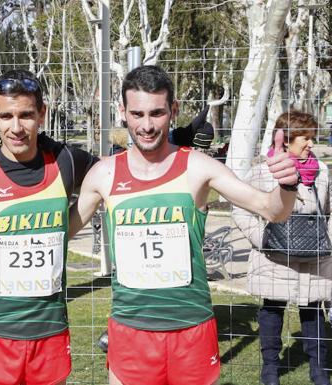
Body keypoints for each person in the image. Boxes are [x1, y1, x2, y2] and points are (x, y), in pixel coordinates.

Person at [0, 69, 218, 385]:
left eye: (26, 115)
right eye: (7, 116)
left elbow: (125, 170)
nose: (16, 126)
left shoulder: (66, 160)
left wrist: (177, 139)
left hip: (49, 331)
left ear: (42, 113)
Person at [69, 65, 298, 385]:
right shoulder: (104, 174)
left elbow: (271, 209)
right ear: (123, 112)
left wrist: (287, 185)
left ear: (173, 110)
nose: (146, 126)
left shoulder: (197, 167)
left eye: (157, 113)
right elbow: (59, 233)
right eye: (137, 114)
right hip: (130, 332)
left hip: (191, 332)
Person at [233, 110, 332, 385]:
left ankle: (319, 370)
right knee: (272, 311)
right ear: (286, 140)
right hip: (274, 257)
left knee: (313, 311)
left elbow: (330, 211)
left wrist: (328, 239)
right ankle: (270, 370)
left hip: (314, 257)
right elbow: (240, 211)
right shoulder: (263, 172)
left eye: (312, 138)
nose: (311, 144)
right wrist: (261, 239)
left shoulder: (321, 172)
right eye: (306, 138)